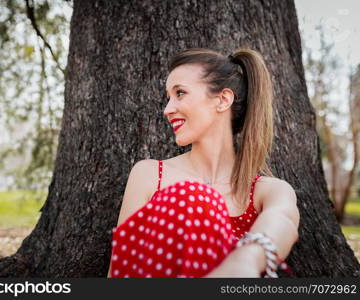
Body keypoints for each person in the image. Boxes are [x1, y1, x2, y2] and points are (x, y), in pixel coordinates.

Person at [107, 48, 300, 278]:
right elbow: (119, 272)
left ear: (222, 99)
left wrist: (244, 261)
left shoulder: (267, 190)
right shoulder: (149, 174)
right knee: (194, 197)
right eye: (168, 97)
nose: (167, 110)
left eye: (180, 93)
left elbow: (282, 220)